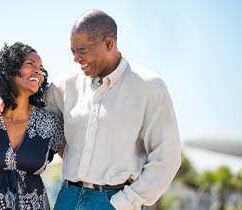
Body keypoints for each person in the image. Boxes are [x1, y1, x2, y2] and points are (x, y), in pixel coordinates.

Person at [44, 10, 181, 210]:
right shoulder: (63, 87)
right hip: (68, 197)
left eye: (82, 50)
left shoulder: (150, 87)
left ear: (109, 44)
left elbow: (167, 157)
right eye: (72, 51)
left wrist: (126, 202)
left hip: (113, 200)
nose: (75, 58)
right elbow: (33, 117)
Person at [0, 42, 65, 210]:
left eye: (40, 68)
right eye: (30, 64)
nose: (38, 70)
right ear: (9, 70)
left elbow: (76, 162)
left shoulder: (50, 123)